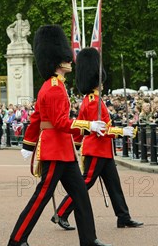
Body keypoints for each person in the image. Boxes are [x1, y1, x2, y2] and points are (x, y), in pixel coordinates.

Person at [7, 25, 112, 246]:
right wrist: (88, 125)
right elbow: (59, 122)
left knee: (81, 195)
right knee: (42, 195)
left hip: (63, 150)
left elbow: (36, 118)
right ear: (57, 61)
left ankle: (88, 239)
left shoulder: (54, 86)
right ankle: (17, 237)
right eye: (66, 58)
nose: (70, 61)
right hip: (55, 150)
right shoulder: (54, 88)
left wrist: (28, 143)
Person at [51, 48, 144, 230]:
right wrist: (121, 132)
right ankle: (61, 212)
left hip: (104, 150)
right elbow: (101, 130)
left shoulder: (95, 99)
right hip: (95, 150)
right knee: (84, 184)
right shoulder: (93, 101)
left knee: (114, 185)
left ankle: (123, 216)